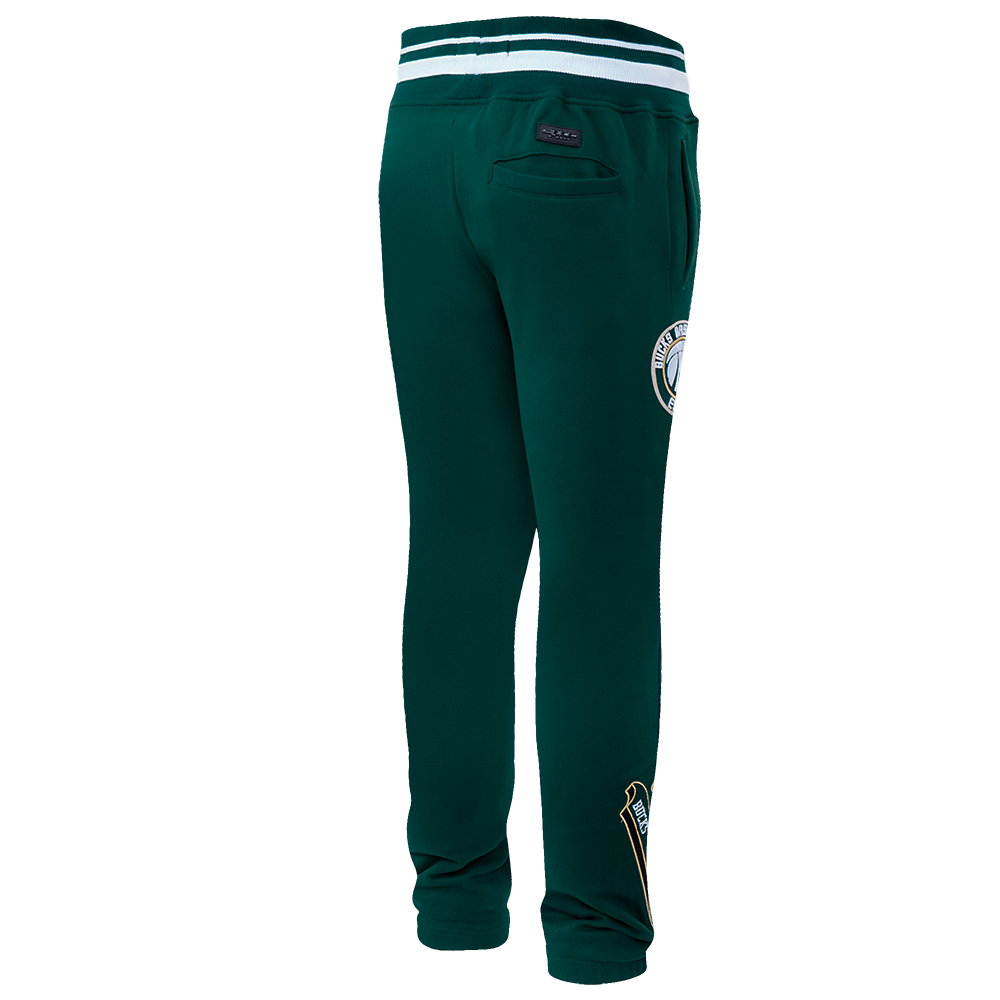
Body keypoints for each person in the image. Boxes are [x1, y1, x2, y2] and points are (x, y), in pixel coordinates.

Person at [379, 16, 700, 985]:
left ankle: (453, 913)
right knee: (597, 565)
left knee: (459, 541)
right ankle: (596, 940)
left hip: (415, 121)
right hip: (589, 115)